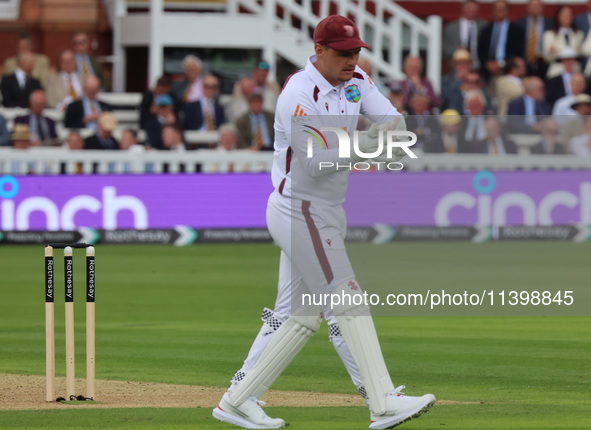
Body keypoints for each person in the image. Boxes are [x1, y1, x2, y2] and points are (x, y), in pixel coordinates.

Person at [212, 14, 435, 430]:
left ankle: (238, 400)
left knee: (298, 316)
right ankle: (383, 402)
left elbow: (395, 125)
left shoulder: (357, 80)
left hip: (327, 209)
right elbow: (316, 164)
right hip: (300, 208)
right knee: (345, 298)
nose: (352, 60)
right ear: (319, 50)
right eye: (343, 53)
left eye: (356, 52)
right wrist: (371, 147)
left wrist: (378, 141)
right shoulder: (298, 95)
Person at [477, 0, 524, 86]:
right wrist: (488, 64)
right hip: (488, 72)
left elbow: (518, 52)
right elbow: (481, 51)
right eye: (497, 9)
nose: (499, 11)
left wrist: (502, 64)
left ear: (508, 10)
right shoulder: (485, 30)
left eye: (502, 9)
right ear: (493, 10)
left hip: (509, 70)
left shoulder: (517, 30)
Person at [542, 6, 583, 79]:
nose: (566, 17)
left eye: (569, 15)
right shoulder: (549, 35)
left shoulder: (579, 34)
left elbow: (581, 53)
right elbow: (546, 57)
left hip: (575, 72)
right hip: (557, 71)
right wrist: (551, 52)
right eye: (564, 14)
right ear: (558, 16)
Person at [442, 0, 485, 68]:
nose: (471, 10)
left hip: (479, 67)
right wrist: (456, 49)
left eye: (474, 8)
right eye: (469, 8)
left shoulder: (484, 26)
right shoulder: (451, 27)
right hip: (457, 67)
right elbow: (445, 49)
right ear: (463, 8)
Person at [515, 0, 552, 77]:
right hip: (525, 63)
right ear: (527, 8)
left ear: (542, 7)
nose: (535, 8)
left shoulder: (550, 23)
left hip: (544, 63)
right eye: (532, 6)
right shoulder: (520, 23)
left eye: (537, 6)